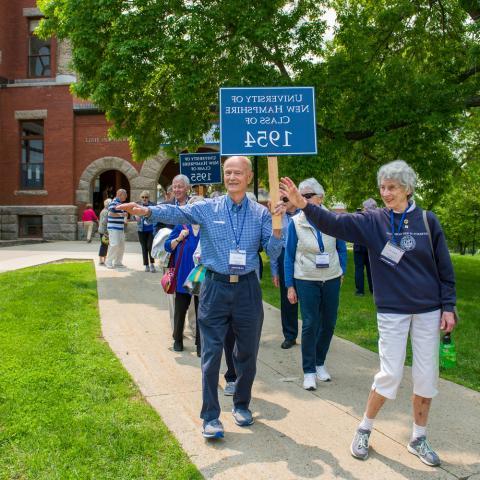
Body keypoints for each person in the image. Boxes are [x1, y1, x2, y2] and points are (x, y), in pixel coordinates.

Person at [278, 160, 456, 467]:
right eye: (383, 188)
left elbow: (444, 268)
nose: (386, 193)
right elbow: (335, 223)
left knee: (427, 377)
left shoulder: (429, 221)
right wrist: (304, 205)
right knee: (390, 374)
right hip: (392, 311)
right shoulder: (373, 220)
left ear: (408, 189)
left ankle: (418, 437)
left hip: (428, 310)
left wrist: (449, 306)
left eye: (392, 188)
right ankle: (364, 428)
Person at [118, 156, 283, 440]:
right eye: (228, 172)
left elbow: (274, 251)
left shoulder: (261, 214)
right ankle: (210, 417)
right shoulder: (207, 208)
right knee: (210, 354)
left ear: (249, 177)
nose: (232, 177)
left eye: (238, 173)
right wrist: (146, 211)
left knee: (247, 354)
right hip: (215, 288)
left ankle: (241, 405)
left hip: (247, 290)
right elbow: (175, 214)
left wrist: (278, 228)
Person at [284, 178, 347, 390]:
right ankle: (309, 370)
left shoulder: (332, 219)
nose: (303, 199)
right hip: (306, 278)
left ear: (320, 197)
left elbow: (341, 247)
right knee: (310, 323)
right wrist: (289, 284)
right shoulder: (295, 222)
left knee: (328, 322)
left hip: (331, 277)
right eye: (301, 195)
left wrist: (342, 271)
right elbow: (289, 254)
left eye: (308, 196)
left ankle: (320, 362)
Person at [165, 196, 202, 354]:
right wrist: (180, 238)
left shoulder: (207, 227)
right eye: (193, 207)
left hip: (201, 276)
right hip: (183, 275)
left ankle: (201, 344)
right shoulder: (182, 225)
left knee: (202, 312)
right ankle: (178, 339)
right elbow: (167, 246)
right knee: (181, 310)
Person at [270, 196, 300, 349]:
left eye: (287, 197)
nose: (283, 201)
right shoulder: (278, 218)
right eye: (281, 198)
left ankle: (314, 335)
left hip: (304, 257)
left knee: (310, 297)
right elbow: (274, 247)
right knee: (287, 299)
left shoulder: (307, 212)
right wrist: (274, 270)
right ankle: (290, 335)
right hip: (284, 257)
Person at [353, 198, 377, 296]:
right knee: (370, 269)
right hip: (370, 246)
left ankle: (360, 291)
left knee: (359, 268)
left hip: (360, 246)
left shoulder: (358, 217)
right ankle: (373, 289)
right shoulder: (377, 218)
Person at [105, 189, 128, 269]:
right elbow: (110, 213)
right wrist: (122, 214)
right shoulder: (114, 202)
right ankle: (109, 262)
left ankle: (118, 262)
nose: (126, 196)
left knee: (121, 246)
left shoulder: (119, 203)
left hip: (119, 228)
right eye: (125, 195)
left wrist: (123, 216)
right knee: (114, 245)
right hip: (113, 228)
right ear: (120, 194)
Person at [135, 190, 156, 272]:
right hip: (141, 230)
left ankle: (152, 264)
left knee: (150, 246)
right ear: (141, 198)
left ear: (148, 198)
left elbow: (156, 215)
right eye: (143, 197)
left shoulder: (153, 205)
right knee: (144, 247)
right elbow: (134, 214)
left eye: (146, 197)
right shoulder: (138, 205)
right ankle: (146, 265)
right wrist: (135, 217)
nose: (144, 199)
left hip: (151, 229)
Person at [97, 198, 111, 265]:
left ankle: (102, 260)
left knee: (104, 245)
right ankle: (102, 260)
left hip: (101, 230)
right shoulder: (106, 211)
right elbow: (104, 222)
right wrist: (106, 231)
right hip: (104, 231)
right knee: (104, 245)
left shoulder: (103, 210)